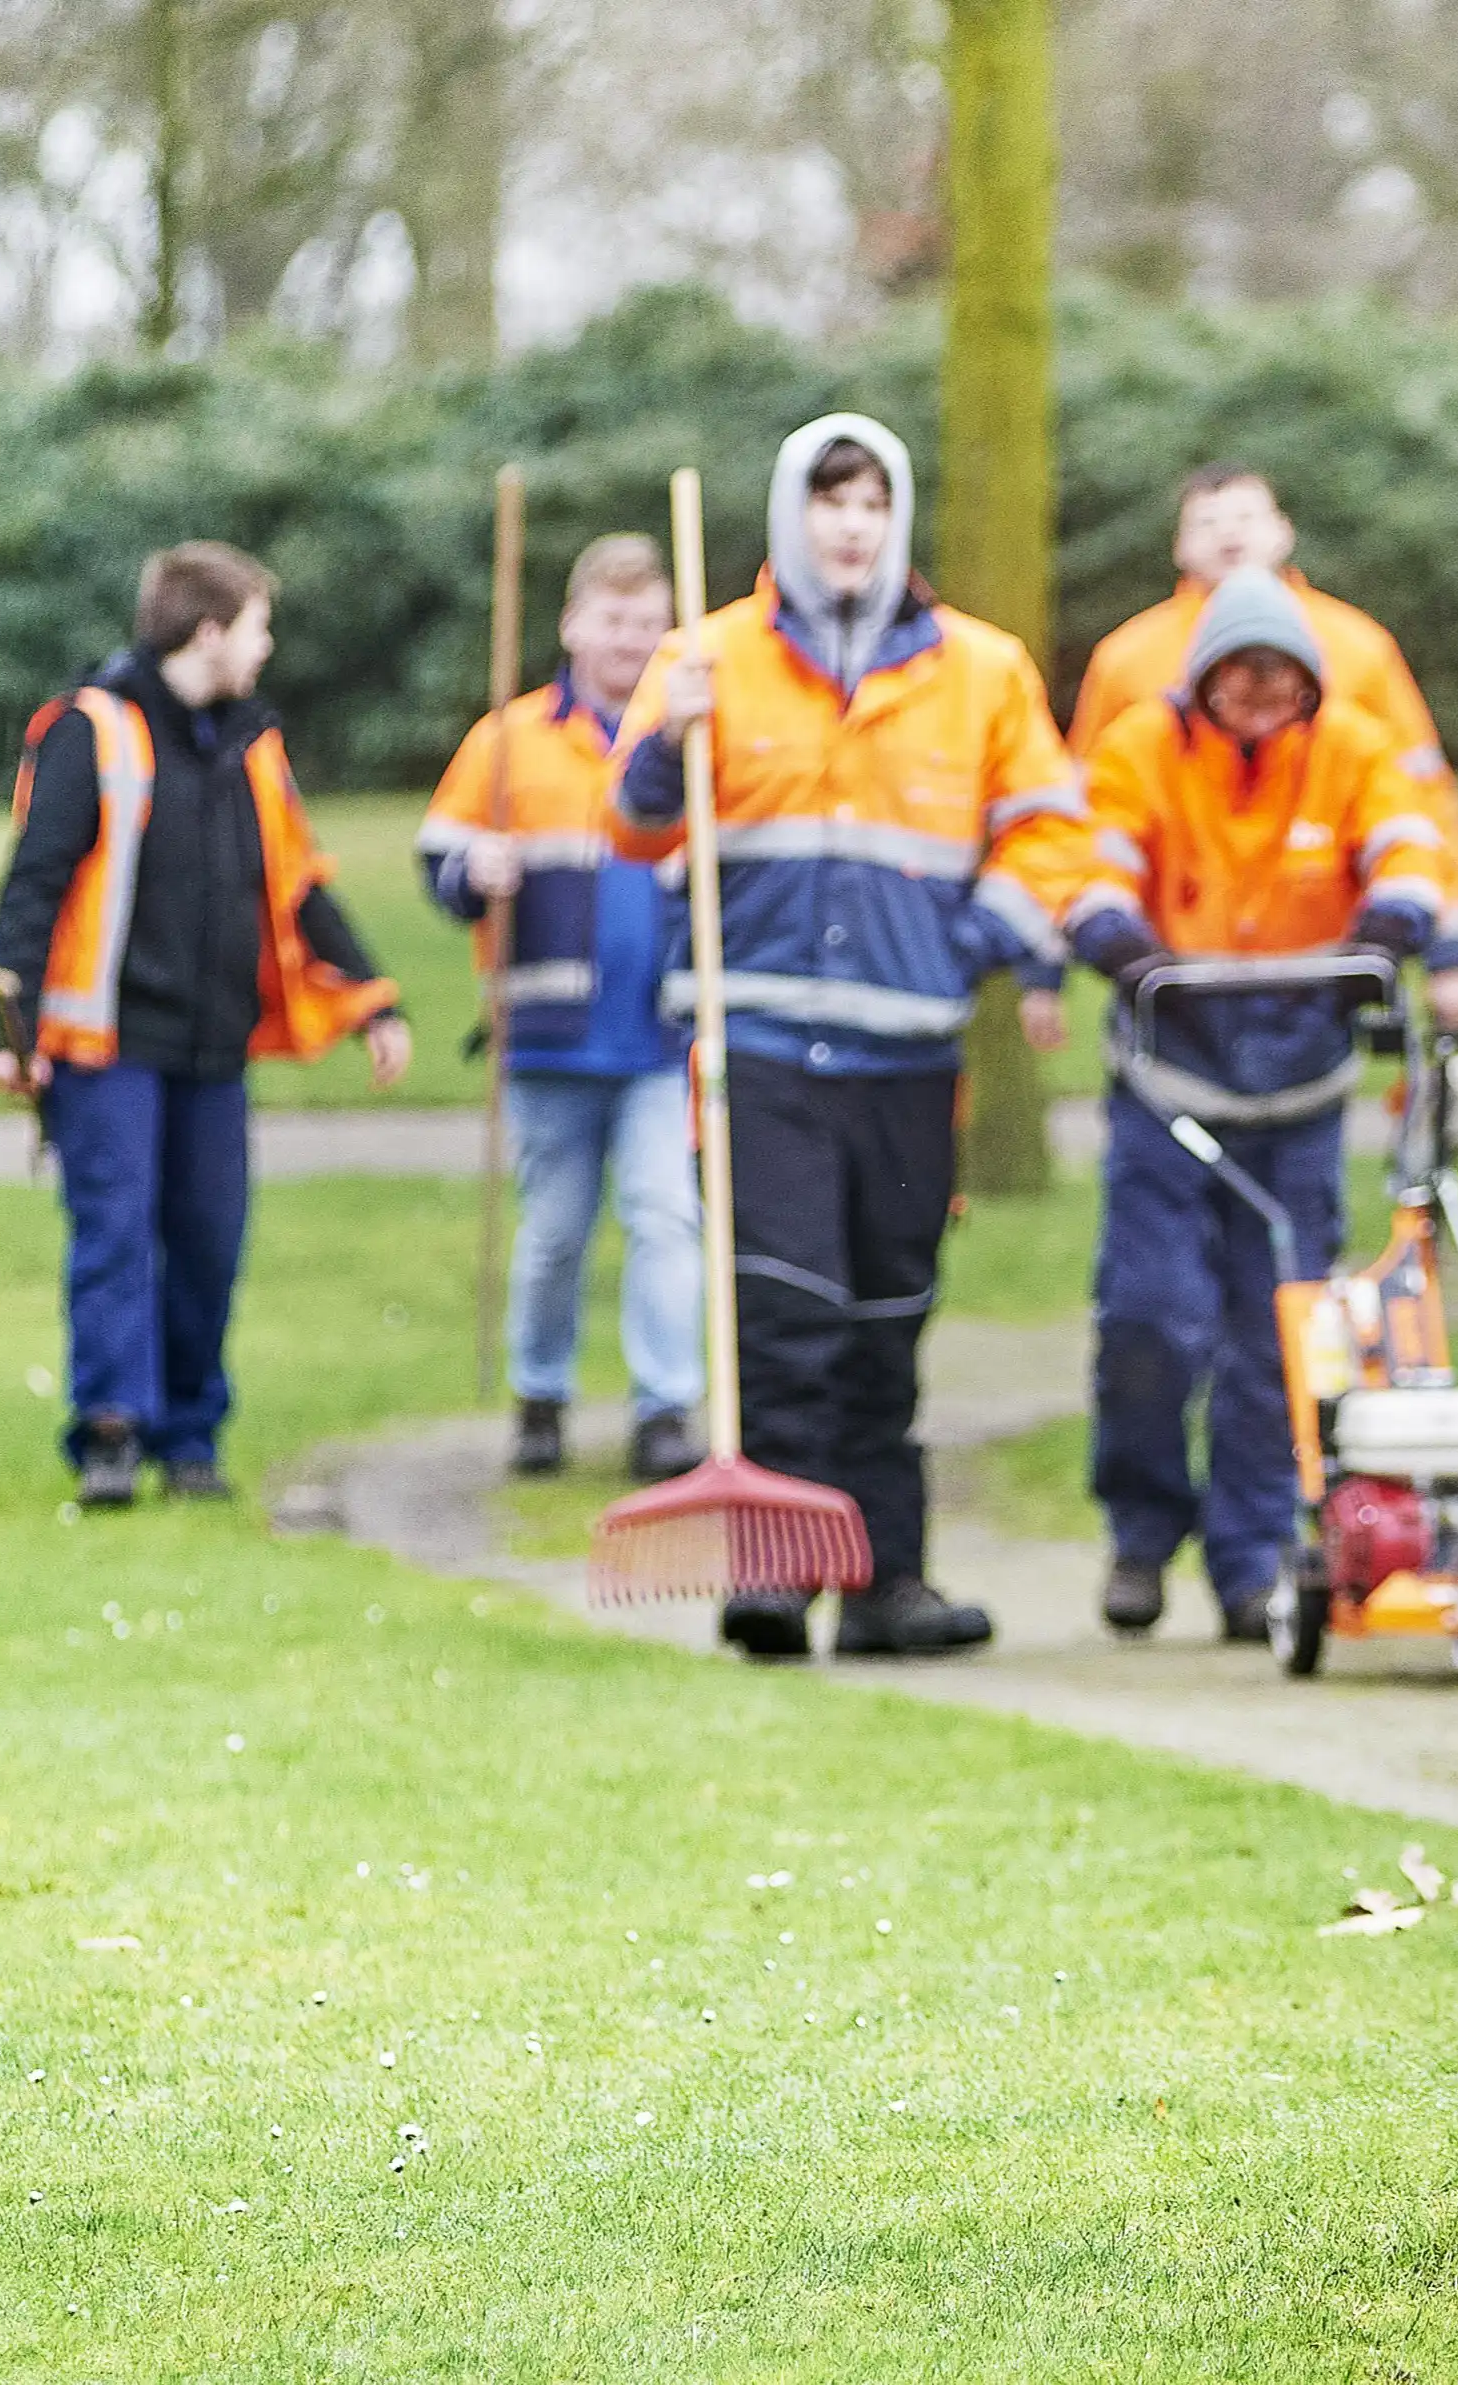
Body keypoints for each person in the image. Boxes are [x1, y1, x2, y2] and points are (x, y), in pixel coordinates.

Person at [609, 413, 1103, 1659]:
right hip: (756, 1042)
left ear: (895, 521)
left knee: (887, 1317)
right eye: (828, 499)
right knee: (782, 1312)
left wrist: (972, 940)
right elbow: (635, 827)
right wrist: (672, 735)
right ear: (792, 515)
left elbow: (1053, 829)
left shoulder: (980, 671)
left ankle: (885, 1585)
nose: (848, 523)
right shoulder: (704, 657)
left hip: (905, 1050)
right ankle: (774, 1576)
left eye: (871, 502)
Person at [1066, 568, 1458, 1639]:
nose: (1256, 695)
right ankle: (1142, 1533)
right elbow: (1092, 867)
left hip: (1299, 1087)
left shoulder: (1349, 752)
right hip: (1171, 1082)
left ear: (1307, 684)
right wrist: (1122, 945)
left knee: (1279, 1334)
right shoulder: (1138, 753)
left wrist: (1386, 932)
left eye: (1278, 678)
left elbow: (1411, 848)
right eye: (1235, 676)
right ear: (1199, 680)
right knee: (1149, 1319)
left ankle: (1250, 1561)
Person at [0, 541, 411, 1506]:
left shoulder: (250, 744)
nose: (267, 649)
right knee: (117, 1237)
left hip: (213, 1044)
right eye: (259, 626)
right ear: (208, 631)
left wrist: (372, 996)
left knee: (209, 1241)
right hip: (108, 1045)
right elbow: (34, 888)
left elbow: (298, 885)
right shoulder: (89, 730)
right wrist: (8, 1035)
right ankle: (111, 1433)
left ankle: (191, 1435)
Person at [418, 533, 701, 1483]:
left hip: (663, 1030)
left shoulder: (687, 738)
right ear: (574, 623)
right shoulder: (511, 739)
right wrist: (472, 870)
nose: (629, 639)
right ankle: (540, 1394)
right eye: (614, 619)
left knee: (667, 1217)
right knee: (555, 1234)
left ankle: (666, 1408)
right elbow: (438, 855)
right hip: (548, 1035)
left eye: (648, 622)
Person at [1067, 464, 1458, 1021]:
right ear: (1179, 546)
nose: (1228, 534)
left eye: (1245, 516)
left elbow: (1417, 805)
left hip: (1318, 945)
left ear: (1282, 530)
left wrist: (1447, 950)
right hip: (1175, 959)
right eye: (1207, 521)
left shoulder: (1359, 647)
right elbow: (1085, 819)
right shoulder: (1127, 659)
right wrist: (1090, 943)